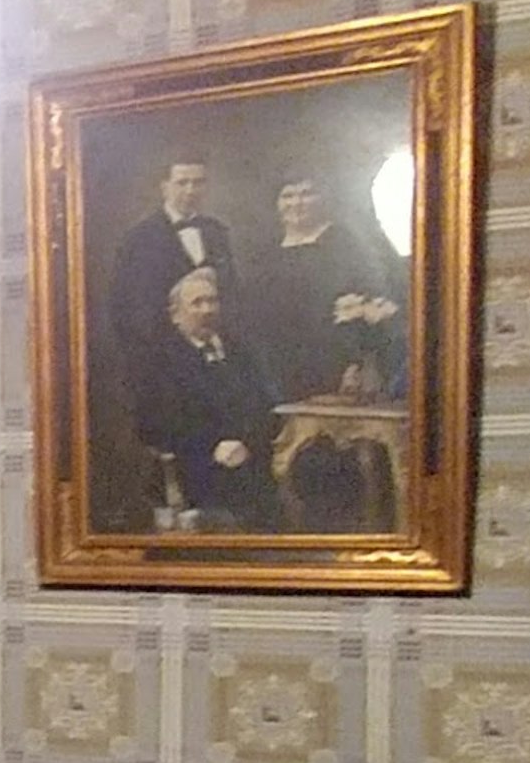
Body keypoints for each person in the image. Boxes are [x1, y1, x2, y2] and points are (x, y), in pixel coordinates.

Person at [129, 266, 287, 531]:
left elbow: (269, 405)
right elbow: (154, 425)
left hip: (253, 461)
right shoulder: (160, 362)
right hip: (194, 468)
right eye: (197, 303)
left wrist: (246, 442)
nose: (207, 310)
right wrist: (212, 448)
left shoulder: (242, 352)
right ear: (175, 316)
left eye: (212, 301)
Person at [236, 176, 403, 401]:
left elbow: (372, 302)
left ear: (321, 198)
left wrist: (358, 362)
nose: (297, 202)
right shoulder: (266, 251)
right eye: (288, 196)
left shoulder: (344, 243)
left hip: (335, 365)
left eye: (306, 194)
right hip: (278, 366)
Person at [104, 159, 233, 368]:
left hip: (214, 355)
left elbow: (230, 294)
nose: (191, 191)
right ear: (165, 188)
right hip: (160, 359)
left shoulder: (216, 232)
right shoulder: (139, 238)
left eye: (198, 182)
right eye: (182, 183)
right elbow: (125, 306)